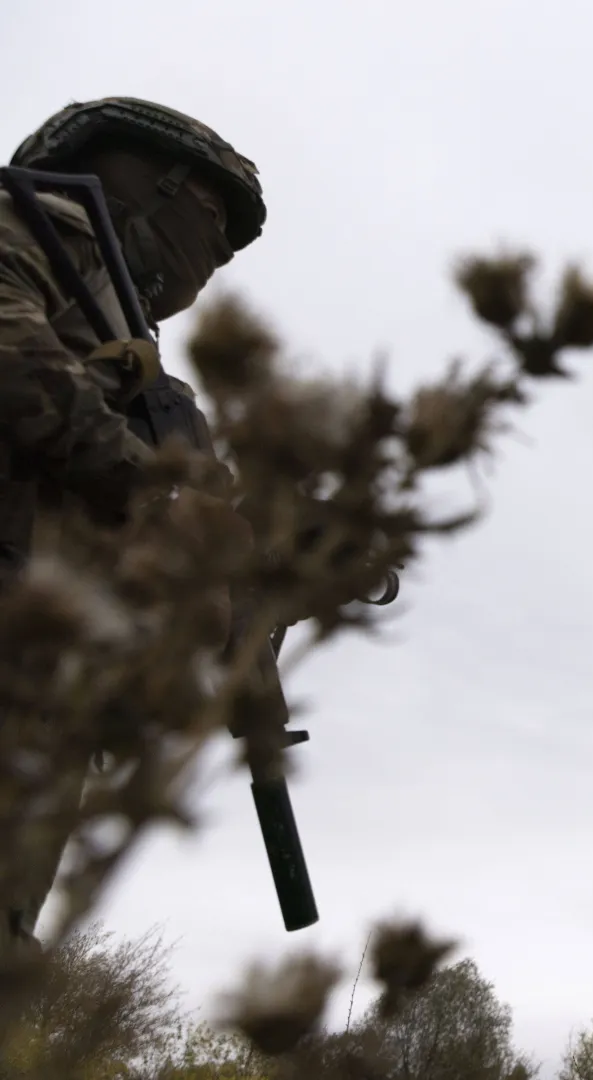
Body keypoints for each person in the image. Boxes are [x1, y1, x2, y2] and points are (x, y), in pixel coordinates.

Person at [0, 97, 266, 954]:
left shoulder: (154, 388)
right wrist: (158, 500)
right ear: (158, 184)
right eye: (215, 216)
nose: (220, 251)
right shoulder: (33, 227)